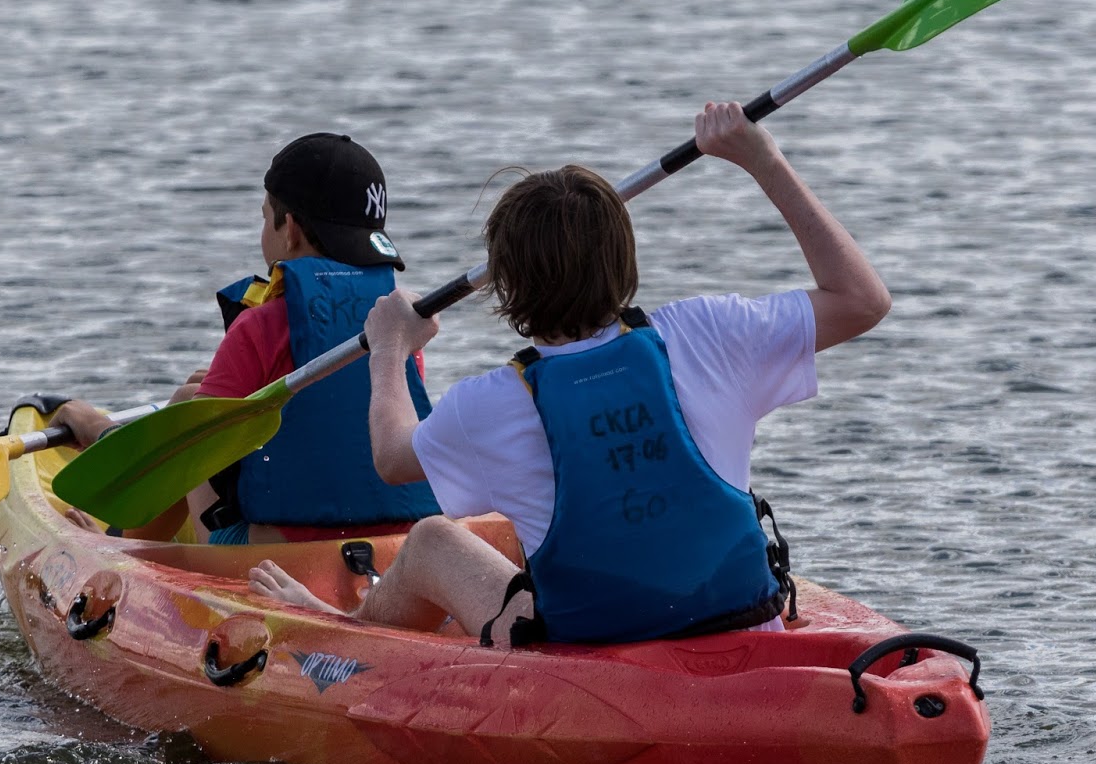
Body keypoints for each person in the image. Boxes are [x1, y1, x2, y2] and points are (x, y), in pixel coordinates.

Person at [249, 103, 891, 644]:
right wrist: (762, 160)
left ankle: (341, 631)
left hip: (590, 650)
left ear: (507, 287)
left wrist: (389, 347)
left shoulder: (488, 405)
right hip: (735, 622)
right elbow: (863, 299)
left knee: (435, 540)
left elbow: (391, 457)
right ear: (624, 258)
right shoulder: (710, 333)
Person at [53, 133, 441, 543]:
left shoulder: (260, 326)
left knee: (189, 413)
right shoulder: (399, 329)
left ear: (289, 229)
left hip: (273, 554)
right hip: (390, 544)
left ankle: (117, 547)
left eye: (263, 216)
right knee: (200, 395)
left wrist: (97, 427)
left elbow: (176, 456)